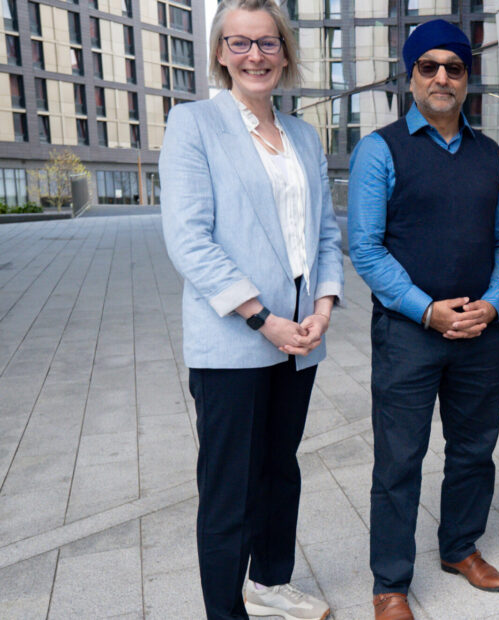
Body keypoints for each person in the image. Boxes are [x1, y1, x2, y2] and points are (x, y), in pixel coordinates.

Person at [159, 1, 344, 618]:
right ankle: (225, 609)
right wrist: (263, 318)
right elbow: (189, 239)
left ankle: (270, 584)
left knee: (278, 471)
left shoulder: (303, 134)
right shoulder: (193, 125)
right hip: (236, 340)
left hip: (300, 339)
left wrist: (322, 306)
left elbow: (325, 235)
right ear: (219, 53)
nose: (255, 56)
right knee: (229, 488)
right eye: (239, 44)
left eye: (267, 44)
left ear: (285, 54)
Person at [346, 19, 499, 620]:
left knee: (474, 449)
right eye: (429, 66)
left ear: (468, 77)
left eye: (455, 67)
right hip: (408, 334)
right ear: (409, 74)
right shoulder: (379, 149)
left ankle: (459, 548)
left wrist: (494, 303)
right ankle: (390, 582)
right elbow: (364, 247)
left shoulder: (493, 155)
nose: (442, 77)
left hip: (481, 332)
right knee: (399, 460)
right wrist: (428, 311)